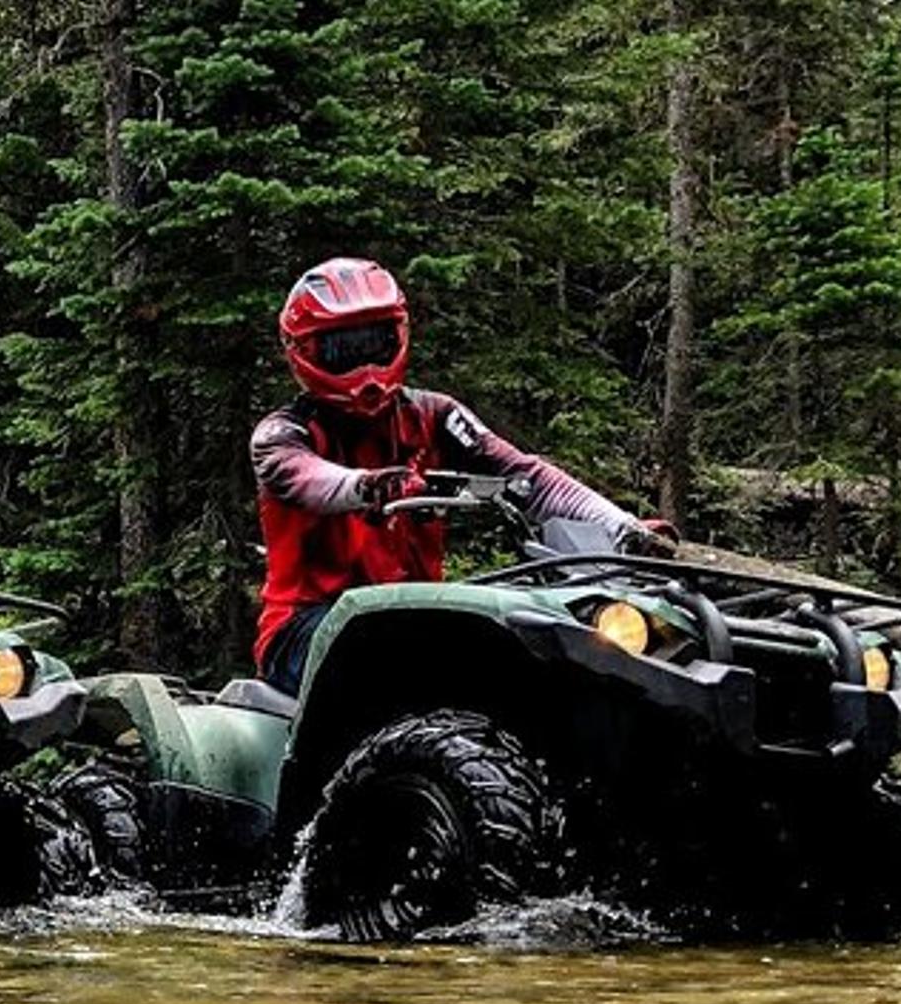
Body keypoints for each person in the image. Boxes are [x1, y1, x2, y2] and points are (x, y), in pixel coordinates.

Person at [250, 256, 671, 694]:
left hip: (412, 613)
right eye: (343, 351)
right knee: (409, 661)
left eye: (376, 344)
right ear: (304, 350)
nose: (365, 367)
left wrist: (623, 529)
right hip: (305, 627)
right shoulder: (283, 435)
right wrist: (371, 487)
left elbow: (526, 475)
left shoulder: (433, 415)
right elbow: (310, 481)